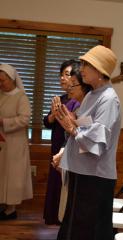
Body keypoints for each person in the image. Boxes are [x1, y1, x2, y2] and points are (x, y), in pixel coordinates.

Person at [55, 45, 121, 240]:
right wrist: (71, 119)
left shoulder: (109, 99)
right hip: (83, 170)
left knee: (90, 230)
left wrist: (72, 128)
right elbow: (86, 127)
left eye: (86, 65)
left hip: (96, 175)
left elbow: (98, 142)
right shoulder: (93, 94)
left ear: (100, 71)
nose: (81, 68)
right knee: (75, 226)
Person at [43, 60, 80, 225]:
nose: (63, 78)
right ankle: (53, 215)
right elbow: (47, 121)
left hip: (70, 143)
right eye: (62, 74)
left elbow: (75, 124)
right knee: (55, 180)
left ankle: (63, 218)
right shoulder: (61, 99)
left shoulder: (78, 100)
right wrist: (53, 115)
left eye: (67, 74)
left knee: (64, 182)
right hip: (57, 142)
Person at [0, 64, 32, 220]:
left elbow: (24, 119)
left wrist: (3, 122)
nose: (0, 84)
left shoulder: (21, 97)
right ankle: (2, 205)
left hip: (15, 143)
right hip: (1, 142)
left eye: (3, 80)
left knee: (13, 176)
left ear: (12, 79)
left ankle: (11, 209)